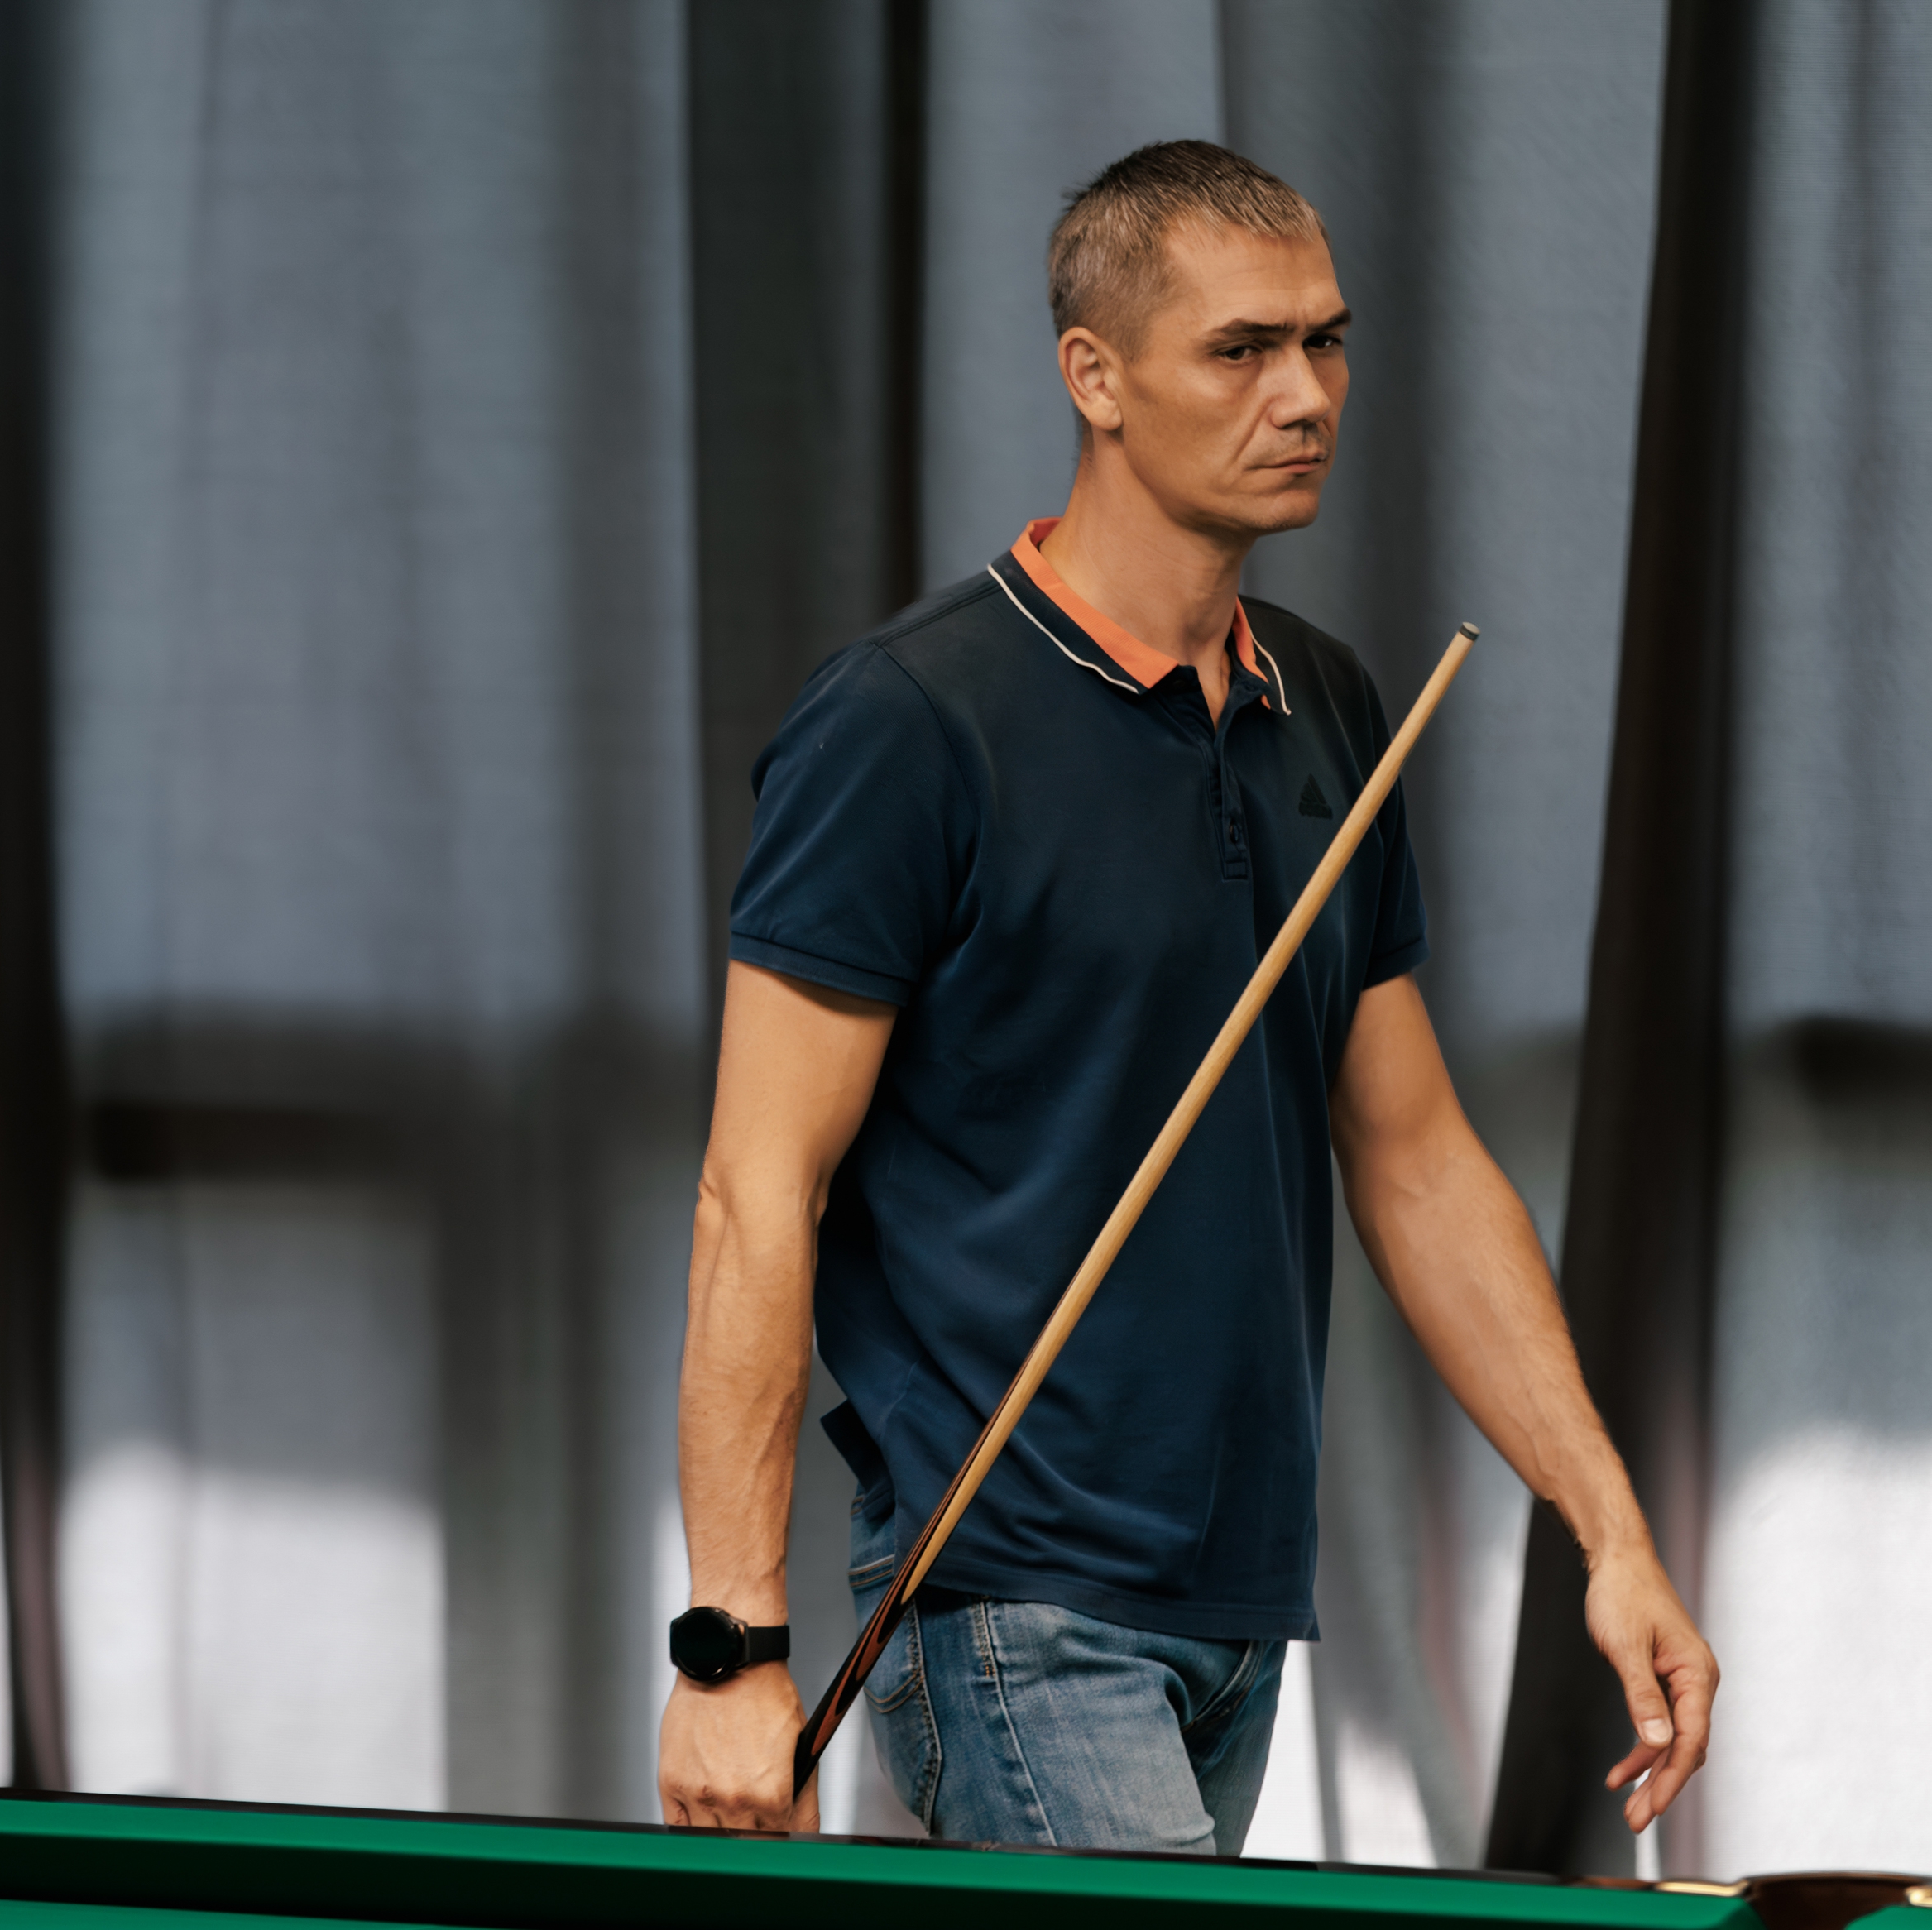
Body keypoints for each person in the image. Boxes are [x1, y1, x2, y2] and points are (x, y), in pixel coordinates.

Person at [654, 141, 1715, 1853]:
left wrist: (1609, 1530)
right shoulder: (906, 722)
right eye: (1241, 349)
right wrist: (728, 1646)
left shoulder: (1331, 706)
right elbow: (752, 1190)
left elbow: (1417, 1161)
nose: (1306, 395)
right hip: (1012, 1596)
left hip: (1238, 1607)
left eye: (1325, 341)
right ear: (1096, 376)